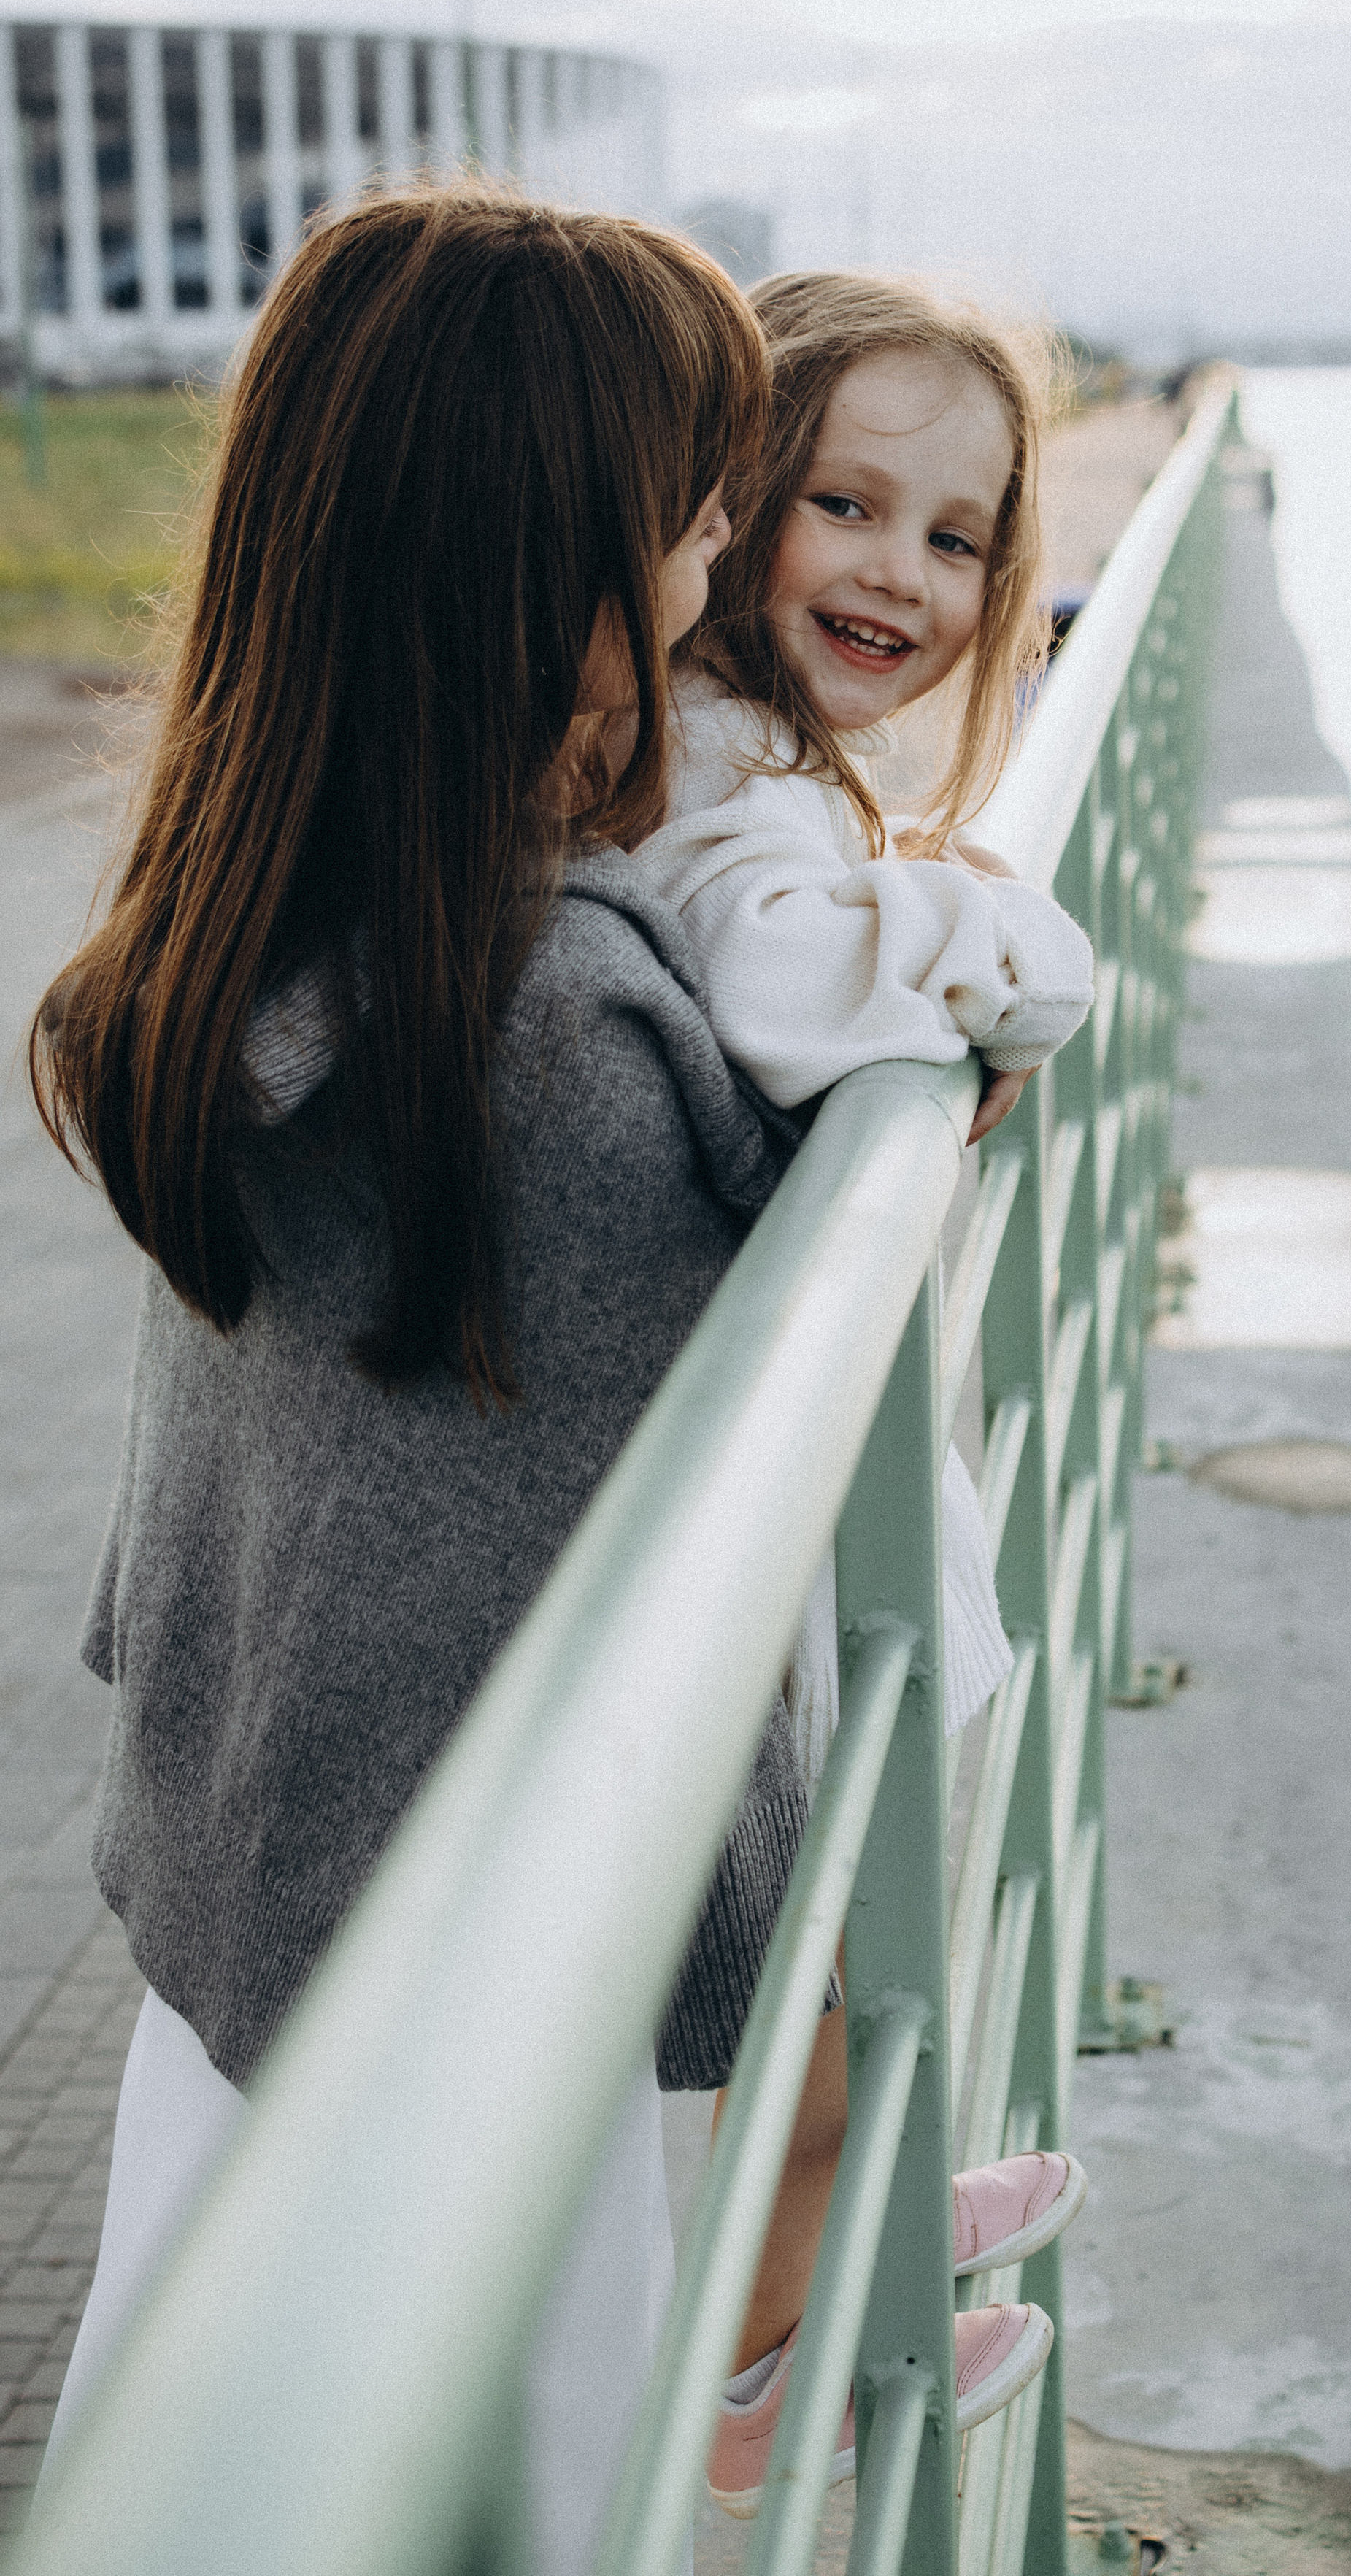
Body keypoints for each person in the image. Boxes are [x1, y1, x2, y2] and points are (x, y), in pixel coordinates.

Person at [28, 186, 809, 2573]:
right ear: (541, 570)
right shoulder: (558, 1050)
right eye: (690, 520)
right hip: (478, 2052)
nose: (717, 580)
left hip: (249, 1935)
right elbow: (747, 1552)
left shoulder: (260, 928)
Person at [630, 270, 1097, 2513]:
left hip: (758, 1464)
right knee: (806, 1927)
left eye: (956, 536)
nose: (900, 576)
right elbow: (802, 989)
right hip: (748, 1481)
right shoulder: (714, 765)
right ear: (734, 501)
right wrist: (1005, 951)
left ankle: (811, 2248)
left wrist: (916, 876)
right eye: (845, 504)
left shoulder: (764, 767)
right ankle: (768, 2339)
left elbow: (817, 923)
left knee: (823, 1931)